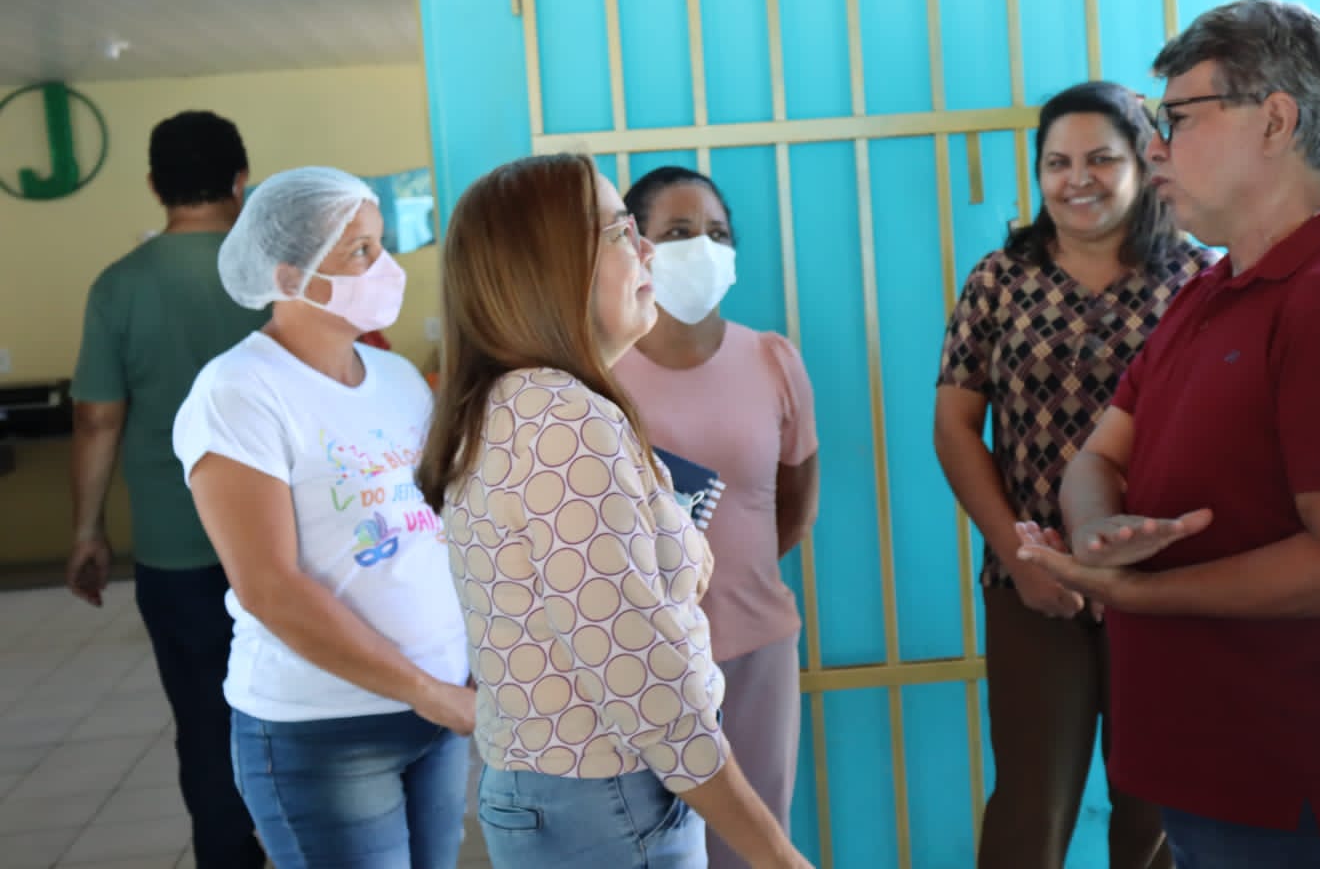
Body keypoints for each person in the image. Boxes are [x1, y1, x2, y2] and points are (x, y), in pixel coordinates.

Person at [1015, 0, 1320, 869]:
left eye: (1180, 118)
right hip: (1202, 771)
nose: (1156, 147)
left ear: (1276, 119)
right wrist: (1098, 535)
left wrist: (1136, 593)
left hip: (1287, 780)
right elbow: (1100, 455)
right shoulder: (1209, 293)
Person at [415, 153, 813, 869]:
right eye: (621, 231)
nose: (648, 251)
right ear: (549, 265)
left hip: (584, 791)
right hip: (605, 800)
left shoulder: (534, 402)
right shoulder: (559, 418)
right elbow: (646, 676)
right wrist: (778, 856)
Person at [934, 81, 1211, 869]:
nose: (1076, 179)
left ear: (1143, 162)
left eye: (1100, 158)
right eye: (1057, 162)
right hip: (1036, 579)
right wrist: (1021, 558)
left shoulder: (1198, 281)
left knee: (1159, 808)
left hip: (1167, 581)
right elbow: (954, 428)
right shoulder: (998, 281)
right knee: (1034, 802)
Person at [172, 166, 474, 869]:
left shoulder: (397, 381)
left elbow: (436, 533)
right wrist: (428, 693)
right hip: (325, 730)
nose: (388, 267)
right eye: (361, 252)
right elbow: (269, 587)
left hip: (437, 714)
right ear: (291, 275)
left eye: (382, 245)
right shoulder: (239, 392)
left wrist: (463, 671)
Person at [66, 109, 266, 869]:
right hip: (291, 543)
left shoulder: (119, 287)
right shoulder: (279, 276)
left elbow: (96, 420)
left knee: (204, 722)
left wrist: (88, 531)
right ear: (242, 176)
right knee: (310, 713)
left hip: (178, 552)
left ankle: (228, 856)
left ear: (155, 186)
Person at [613, 166, 819, 868]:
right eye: (677, 233)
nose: (701, 247)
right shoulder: (594, 373)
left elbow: (795, 498)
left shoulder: (771, 359)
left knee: (756, 843)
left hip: (755, 642)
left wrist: (732, 578)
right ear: (635, 247)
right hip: (636, 656)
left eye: (717, 233)